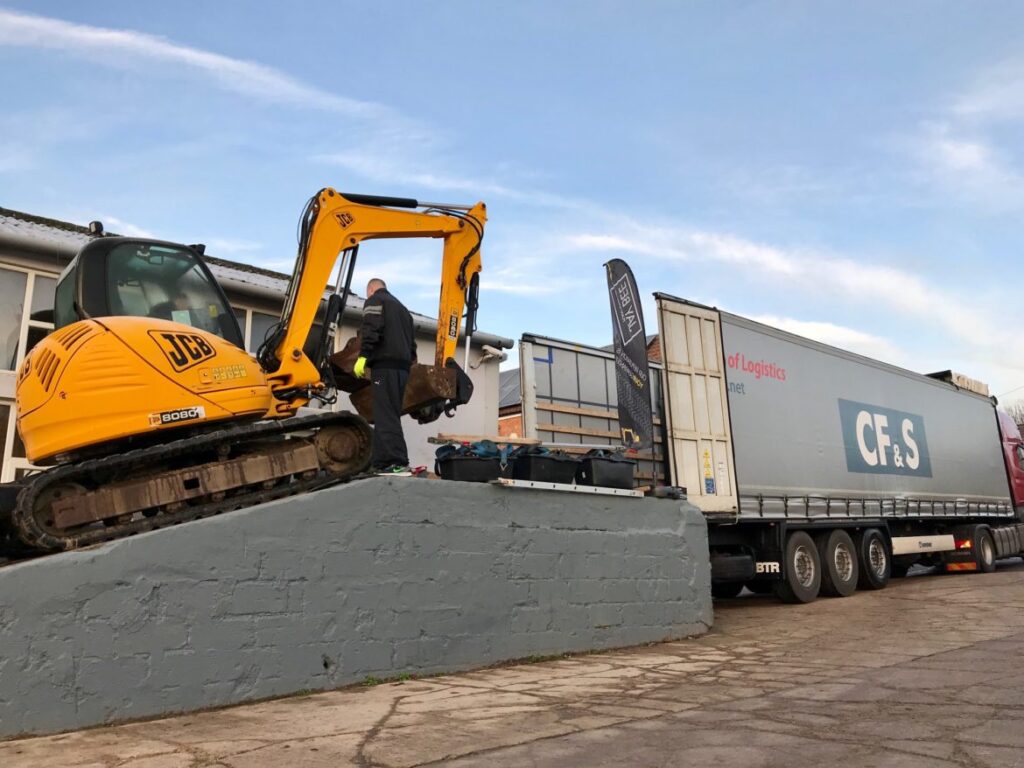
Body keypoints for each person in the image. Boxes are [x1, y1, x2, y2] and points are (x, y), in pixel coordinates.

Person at [353, 278, 416, 474]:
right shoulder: (404, 310)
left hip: (384, 368)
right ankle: (381, 462)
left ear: (370, 289)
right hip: (402, 370)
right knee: (387, 413)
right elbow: (412, 345)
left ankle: (396, 461)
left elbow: (371, 329)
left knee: (385, 414)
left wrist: (363, 357)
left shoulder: (375, 301)